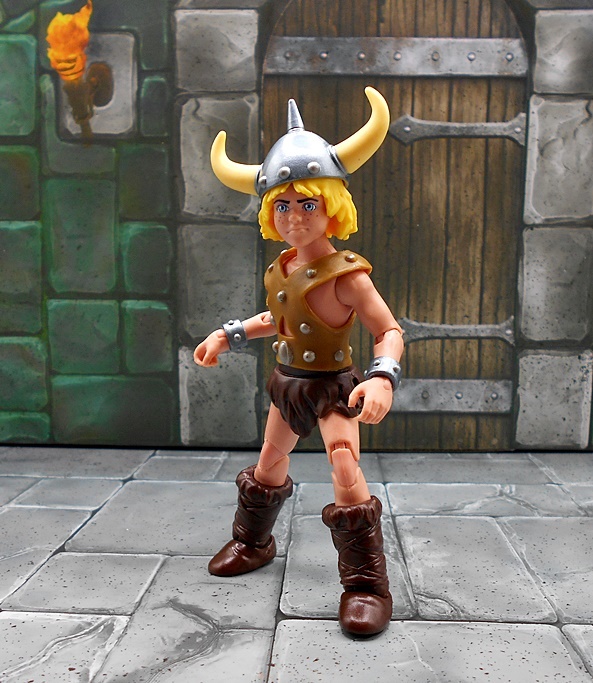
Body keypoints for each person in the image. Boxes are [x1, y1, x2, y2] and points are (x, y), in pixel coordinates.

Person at [194, 87, 404, 637]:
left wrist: (382, 378)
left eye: (307, 204)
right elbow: (279, 319)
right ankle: (252, 542)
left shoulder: (349, 274)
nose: (293, 217)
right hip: (289, 383)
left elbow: (387, 330)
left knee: (344, 467)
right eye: (282, 206)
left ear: (332, 207)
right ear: (269, 212)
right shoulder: (282, 268)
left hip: (337, 387)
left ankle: (366, 585)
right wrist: (229, 334)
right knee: (269, 463)